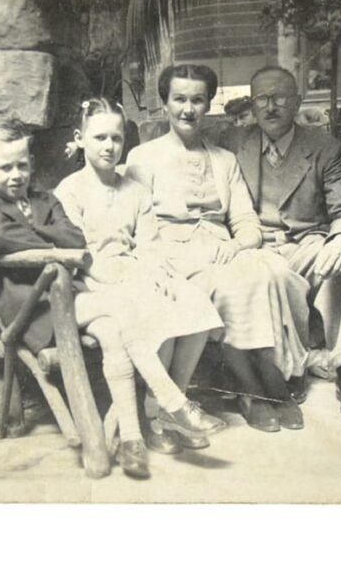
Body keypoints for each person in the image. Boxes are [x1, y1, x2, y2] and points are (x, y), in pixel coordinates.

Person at [0, 120, 222, 479]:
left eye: (21, 165)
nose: (15, 174)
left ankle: (133, 440)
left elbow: (74, 238)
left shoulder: (45, 200)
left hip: (68, 300)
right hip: (29, 310)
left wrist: (30, 236)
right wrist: (49, 241)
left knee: (114, 330)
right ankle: (173, 402)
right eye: (5, 167)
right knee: (119, 307)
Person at [126, 64, 312, 433]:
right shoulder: (142, 159)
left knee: (272, 270)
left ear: (209, 104)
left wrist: (236, 243)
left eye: (197, 100)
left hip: (219, 247)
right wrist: (159, 260)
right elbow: (135, 226)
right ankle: (256, 390)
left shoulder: (224, 160)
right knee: (235, 284)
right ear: (165, 104)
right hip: (169, 252)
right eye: (179, 99)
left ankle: (267, 380)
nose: (188, 109)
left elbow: (246, 222)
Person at [55, 98, 227, 467]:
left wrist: (154, 271)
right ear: (80, 138)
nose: (109, 146)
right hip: (92, 282)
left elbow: (150, 244)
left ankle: (171, 408)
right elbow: (75, 250)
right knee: (154, 309)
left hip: (133, 271)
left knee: (192, 300)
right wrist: (116, 275)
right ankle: (153, 417)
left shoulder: (134, 190)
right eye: (99, 137)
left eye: (116, 138)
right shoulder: (69, 191)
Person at [222, 66, 341, 418]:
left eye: (279, 98)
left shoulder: (324, 148)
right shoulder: (233, 143)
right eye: (261, 98)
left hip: (308, 243)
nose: (270, 106)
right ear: (252, 103)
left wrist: (340, 239)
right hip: (255, 247)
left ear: (297, 103)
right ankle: (286, 370)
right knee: (264, 273)